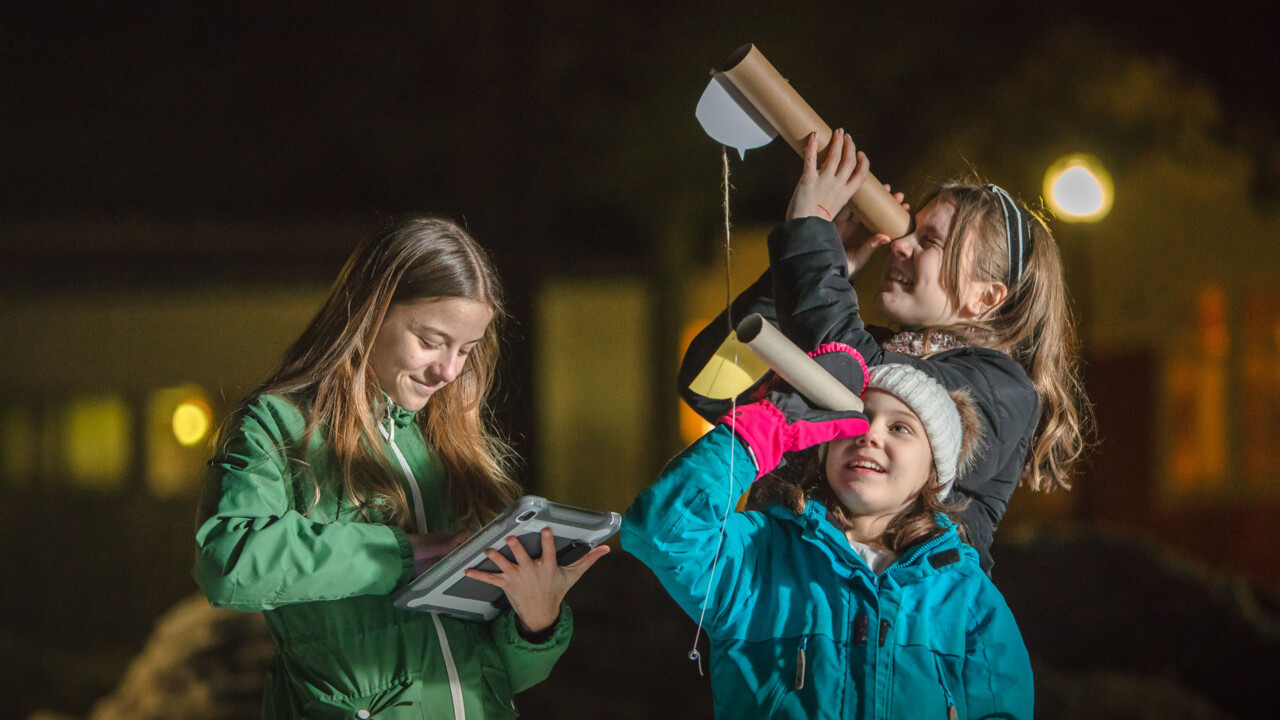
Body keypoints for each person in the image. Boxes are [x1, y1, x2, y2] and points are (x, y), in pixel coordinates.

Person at [194, 216, 608, 719]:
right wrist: (403, 555)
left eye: (466, 350)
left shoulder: (453, 442)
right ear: (369, 312)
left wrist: (534, 622)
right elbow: (229, 561)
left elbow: (496, 676)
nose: (448, 371)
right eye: (431, 341)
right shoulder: (278, 424)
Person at [679, 129, 1090, 572]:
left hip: (886, 634)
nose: (899, 245)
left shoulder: (1001, 389)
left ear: (985, 297)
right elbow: (712, 388)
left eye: (929, 241)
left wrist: (810, 235)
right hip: (781, 605)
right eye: (909, 232)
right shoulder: (867, 348)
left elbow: (875, 380)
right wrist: (795, 277)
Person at [624, 351, 1034, 718]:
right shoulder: (759, 555)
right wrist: (762, 432)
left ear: (934, 471)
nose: (870, 434)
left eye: (901, 428)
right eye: (856, 418)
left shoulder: (966, 593)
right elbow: (662, 529)